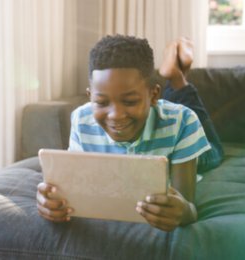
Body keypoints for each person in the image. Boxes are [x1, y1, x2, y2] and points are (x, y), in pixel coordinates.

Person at [37, 35, 223, 232]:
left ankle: (177, 79)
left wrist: (184, 211)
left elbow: (188, 208)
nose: (115, 116)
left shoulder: (183, 121)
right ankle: (173, 77)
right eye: (101, 102)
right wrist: (51, 203)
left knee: (215, 154)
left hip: (180, 149)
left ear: (154, 95)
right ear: (89, 96)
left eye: (129, 101)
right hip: (153, 112)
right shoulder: (81, 119)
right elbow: (75, 188)